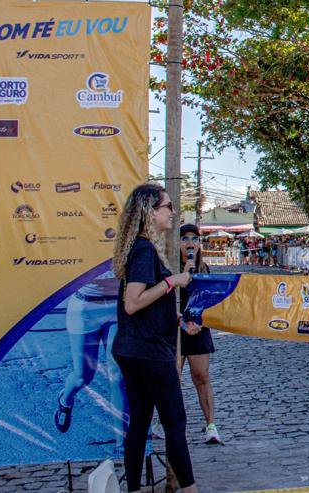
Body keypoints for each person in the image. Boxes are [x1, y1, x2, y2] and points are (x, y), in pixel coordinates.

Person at [111, 184, 200, 493]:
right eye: (167, 207)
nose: (173, 213)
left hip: (133, 347)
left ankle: (133, 489)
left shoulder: (141, 248)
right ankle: (190, 489)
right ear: (150, 211)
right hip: (147, 351)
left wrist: (174, 319)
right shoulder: (144, 249)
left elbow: (143, 306)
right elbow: (133, 302)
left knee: (139, 423)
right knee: (175, 423)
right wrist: (172, 281)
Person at [54, 264, 124, 440]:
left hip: (118, 307)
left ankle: (122, 441)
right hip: (85, 306)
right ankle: (65, 400)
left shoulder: (126, 237)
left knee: (118, 376)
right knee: (83, 375)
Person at [178, 224, 221, 444]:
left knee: (201, 376)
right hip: (174, 328)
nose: (190, 243)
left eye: (194, 238)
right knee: (172, 378)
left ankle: (211, 425)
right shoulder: (169, 267)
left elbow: (209, 301)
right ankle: (166, 422)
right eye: (184, 238)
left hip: (197, 328)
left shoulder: (204, 268)